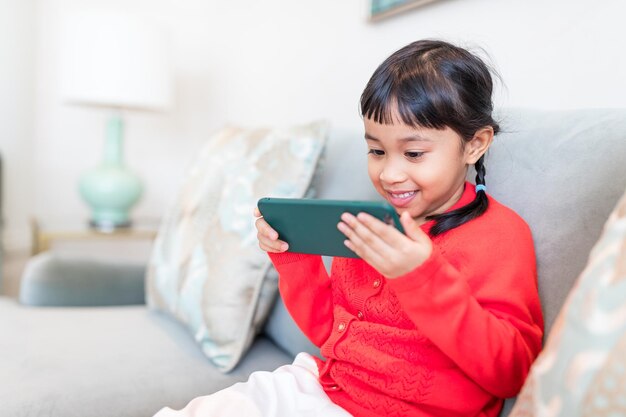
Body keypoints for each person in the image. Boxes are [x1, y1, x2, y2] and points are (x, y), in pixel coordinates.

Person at [155, 39, 544, 417]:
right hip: (324, 386)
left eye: (413, 153)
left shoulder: (499, 236)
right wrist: (293, 258)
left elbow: (511, 373)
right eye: (376, 150)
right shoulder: (366, 225)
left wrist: (421, 277)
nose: (390, 173)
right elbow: (329, 334)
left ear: (475, 144)